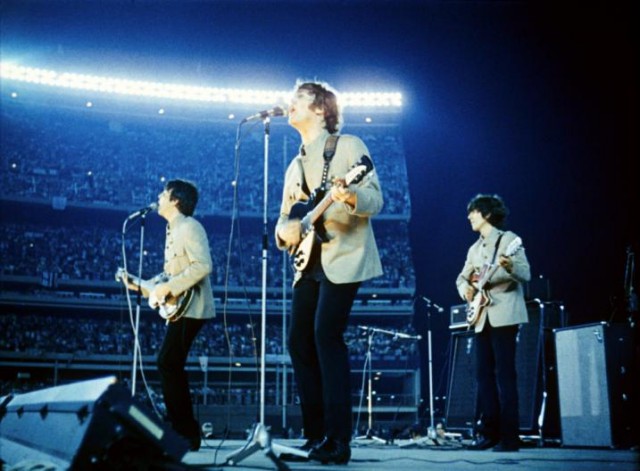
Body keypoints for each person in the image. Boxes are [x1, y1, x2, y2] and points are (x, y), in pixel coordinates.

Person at [275, 80, 384, 464]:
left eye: (298, 100)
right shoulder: (294, 164)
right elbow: (285, 222)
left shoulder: (349, 147)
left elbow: (375, 199)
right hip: (308, 262)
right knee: (298, 343)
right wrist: (285, 231)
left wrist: (348, 194)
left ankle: (339, 440)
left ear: (321, 109)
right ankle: (315, 434)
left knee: (326, 335)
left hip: (344, 255)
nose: (289, 105)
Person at [124, 179, 215, 452]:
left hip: (194, 307)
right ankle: (184, 430)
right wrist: (142, 285)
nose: (158, 197)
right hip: (182, 308)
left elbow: (203, 265)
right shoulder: (173, 229)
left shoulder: (189, 226)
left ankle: (185, 432)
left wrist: (168, 288)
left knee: (168, 362)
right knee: (169, 363)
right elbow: (171, 276)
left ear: (176, 200)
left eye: (164, 194)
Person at [455, 193, 530, 452]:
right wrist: (466, 290)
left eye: (473, 212)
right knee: (483, 376)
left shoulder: (508, 241)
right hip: (481, 317)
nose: (469, 217)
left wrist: (508, 267)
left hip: (504, 314)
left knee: (505, 376)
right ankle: (489, 433)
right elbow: (461, 278)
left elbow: (525, 273)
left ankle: (510, 437)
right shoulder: (473, 249)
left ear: (486, 213)